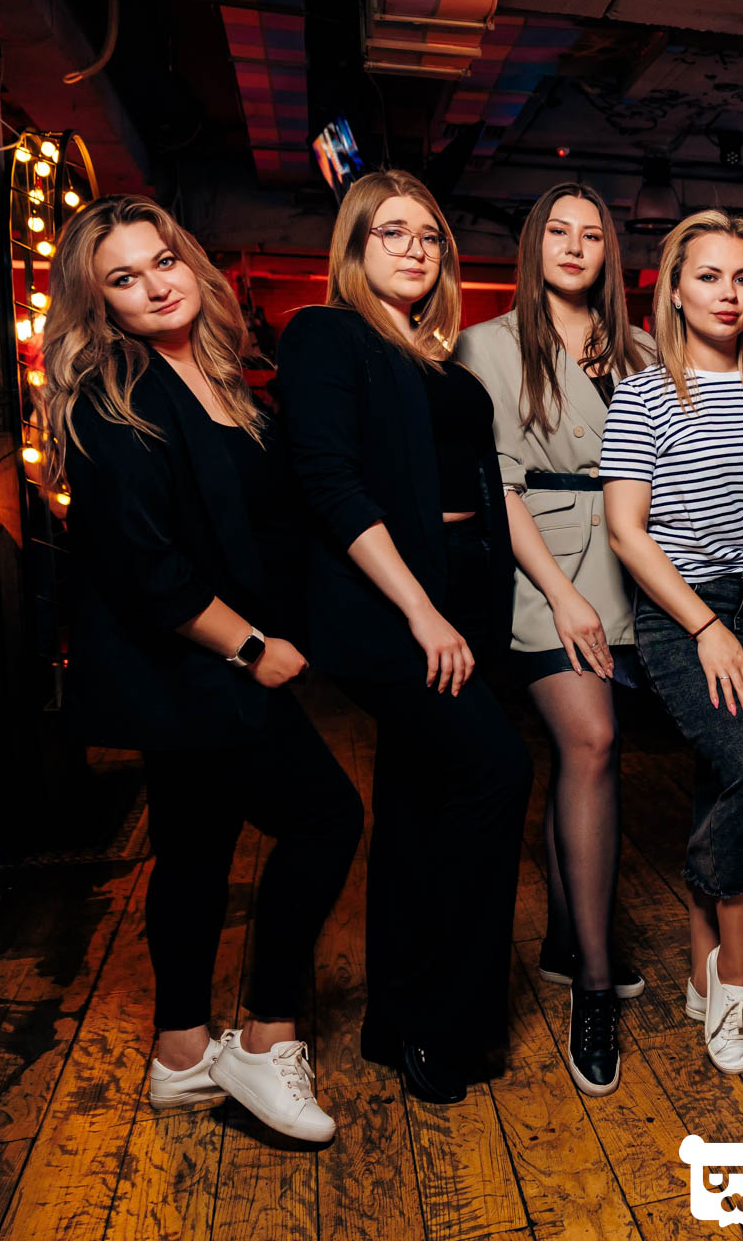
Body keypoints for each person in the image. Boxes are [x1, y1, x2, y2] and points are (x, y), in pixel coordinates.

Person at [46, 195, 361, 1143]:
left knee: (194, 849)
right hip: (191, 666)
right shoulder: (114, 397)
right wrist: (253, 648)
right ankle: (266, 1037)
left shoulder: (221, 373)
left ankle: (181, 1055)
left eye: (163, 261)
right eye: (124, 278)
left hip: (206, 663)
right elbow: (145, 566)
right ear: (97, 302)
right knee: (327, 818)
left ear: (189, 260)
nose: (154, 286)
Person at [278, 170, 533, 1105]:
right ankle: (442, 1016)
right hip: (390, 603)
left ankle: (397, 1020)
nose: (417, 249)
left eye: (431, 235)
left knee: (421, 799)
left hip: (467, 592)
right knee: (495, 773)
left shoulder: (440, 361)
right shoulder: (326, 334)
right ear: (355, 245)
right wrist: (421, 609)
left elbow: (483, 483)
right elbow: (330, 485)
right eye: (393, 232)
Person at [452, 183, 654, 1097]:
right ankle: (595, 990)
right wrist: (563, 596)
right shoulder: (486, 345)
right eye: (558, 232)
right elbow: (496, 485)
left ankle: (568, 941)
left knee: (586, 760)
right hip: (546, 570)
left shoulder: (640, 350)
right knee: (593, 740)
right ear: (534, 245)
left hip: (632, 564)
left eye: (593, 234)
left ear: (611, 252)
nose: (575, 246)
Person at [602, 209, 743, 1077]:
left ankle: (699, 978)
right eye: (709, 276)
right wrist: (708, 628)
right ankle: (737, 987)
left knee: (724, 785)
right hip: (690, 612)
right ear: (674, 291)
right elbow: (626, 532)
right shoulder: (645, 394)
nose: (728, 293)